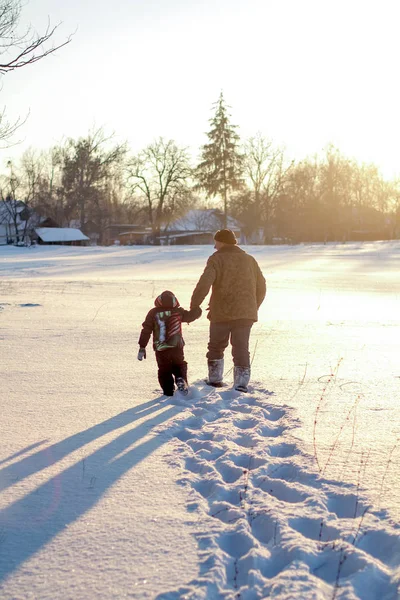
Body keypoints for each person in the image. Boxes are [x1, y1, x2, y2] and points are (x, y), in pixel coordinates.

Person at [190, 229, 266, 392]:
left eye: (216, 242)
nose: (214, 246)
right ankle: (241, 384)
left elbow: (204, 283)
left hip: (221, 312)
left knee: (216, 346)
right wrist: (252, 306)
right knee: (241, 348)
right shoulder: (249, 260)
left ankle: (215, 379)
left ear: (222, 242)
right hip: (245, 314)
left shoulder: (216, 259)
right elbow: (262, 286)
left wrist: (195, 305)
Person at [138, 290, 201, 396]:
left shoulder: (153, 313)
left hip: (161, 347)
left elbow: (146, 330)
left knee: (164, 368)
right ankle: (181, 379)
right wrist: (197, 309)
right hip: (177, 346)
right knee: (179, 364)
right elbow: (191, 316)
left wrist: (142, 346)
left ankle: (168, 391)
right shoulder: (178, 311)